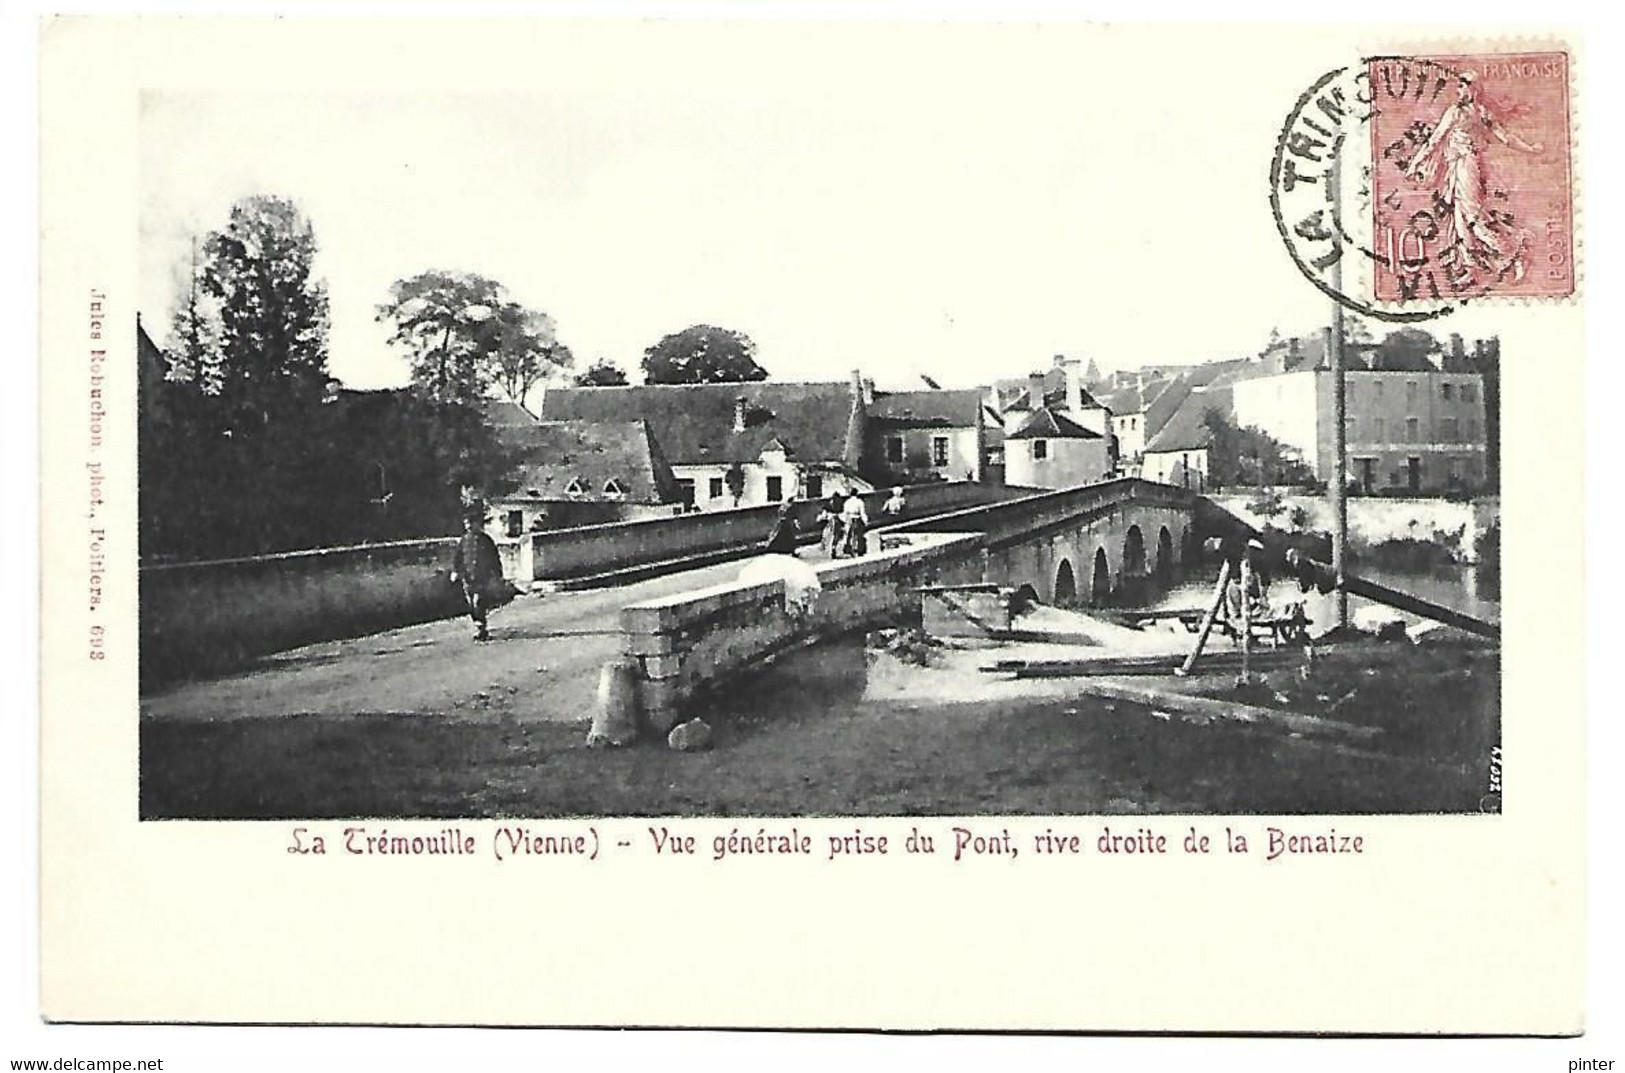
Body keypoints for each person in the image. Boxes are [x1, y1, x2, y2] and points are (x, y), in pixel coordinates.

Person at [450, 511, 505, 642]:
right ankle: (480, 626)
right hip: (468, 577)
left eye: (470, 524)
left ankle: (480, 628)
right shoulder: (464, 540)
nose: (468, 527)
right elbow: (458, 558)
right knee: (471, 604)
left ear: (476, 524)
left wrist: (498, 574)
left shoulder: (486, 539)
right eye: (466, 525)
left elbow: (494, 558)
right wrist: (456, 571)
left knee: (478, 601)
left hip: (482, 576)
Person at [840, 490, 869, 557]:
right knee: (858, 535)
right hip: (856, 519)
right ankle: (859, 550)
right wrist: (865, 521)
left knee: (848, 535)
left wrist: (844, 521)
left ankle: (848, 549)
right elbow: (862, 513)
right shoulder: (859, 502)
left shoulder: (847, 502)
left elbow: (845, 513)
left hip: (849, 519)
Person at [820, 491, 846, 558]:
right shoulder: (840, 503)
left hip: (830, 519)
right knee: (836, 535)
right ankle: (833, 547)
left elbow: (824, 512)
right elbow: (842, 511)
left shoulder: (829, 503)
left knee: (827, 532)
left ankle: (825, 544)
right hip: (837, 519)